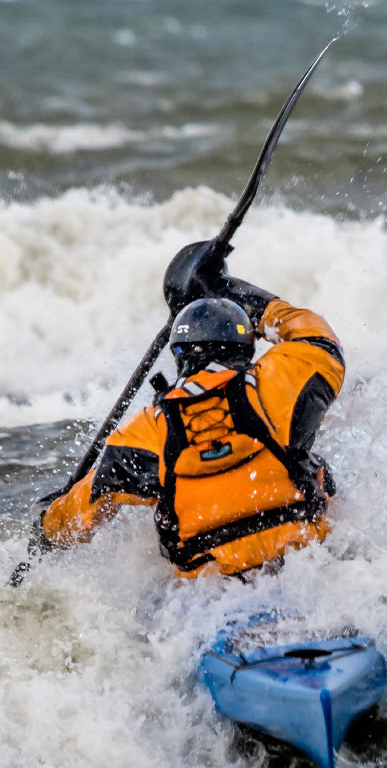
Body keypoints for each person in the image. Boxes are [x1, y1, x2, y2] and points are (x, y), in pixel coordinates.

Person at [36, 241, 345, 577]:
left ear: (180, 355)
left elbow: (77, 517)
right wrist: (232, 291)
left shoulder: (149, 429)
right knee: (319, 474)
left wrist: (47, 520)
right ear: (245, 346)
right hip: (306, 572)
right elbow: (315, 334)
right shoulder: (278, 384)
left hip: (211, 599)